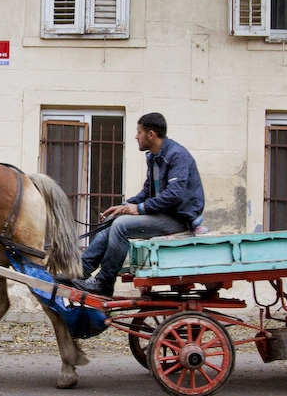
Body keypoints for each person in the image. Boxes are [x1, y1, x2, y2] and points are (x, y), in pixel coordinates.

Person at [65, 112, 205, 297]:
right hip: (164, 214)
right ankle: (80, 272)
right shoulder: (154, 157)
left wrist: (139, 209)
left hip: (179, 218)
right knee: (113, 221)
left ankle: (104, 282)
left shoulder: (177, 155)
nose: (136, 136)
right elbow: (147, 192)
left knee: (121, 226)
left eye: (139, 132)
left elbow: (174, 196)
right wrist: (125, 206)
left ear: (151, 134)